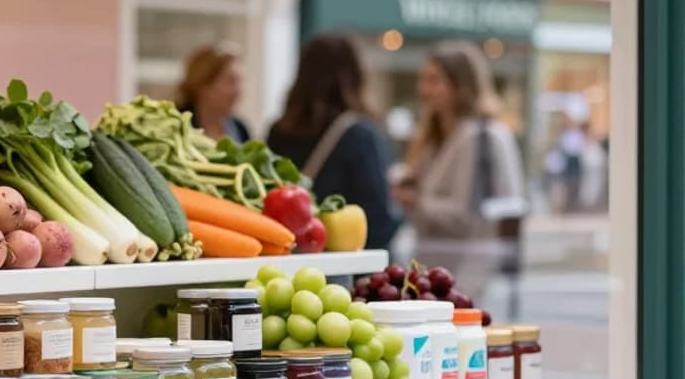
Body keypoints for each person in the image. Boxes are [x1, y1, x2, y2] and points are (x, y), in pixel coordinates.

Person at [395, 41, 526, 294]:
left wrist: (416, 201)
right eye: (424, 80)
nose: (424, 89)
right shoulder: (437, 137)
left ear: (460, 84)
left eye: (434, 80)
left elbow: (466, 213)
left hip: (467, 276)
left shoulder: (476, 136)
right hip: (437, 273)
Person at [267, 33, 401, 250]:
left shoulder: (278, 131)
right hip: (344, 268)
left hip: (288, 258)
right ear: (356, 76)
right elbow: (378, 223)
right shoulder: (360, 135)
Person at [176, 44, 251, 142]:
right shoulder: (176, 126)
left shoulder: (240, 129)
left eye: (239, 81)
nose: (238, 90)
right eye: (230, 81)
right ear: (203, 85)